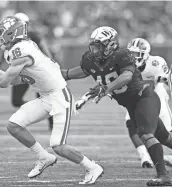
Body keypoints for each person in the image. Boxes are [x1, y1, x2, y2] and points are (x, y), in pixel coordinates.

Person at [0, 16, 103, 184]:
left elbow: (4, 82)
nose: (0, 36)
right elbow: (14, 80)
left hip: (59, 97)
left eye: (3, 33)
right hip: (45, 96)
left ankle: (92, 167)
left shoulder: (20, 49)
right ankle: (43, 157)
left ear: (13, 33)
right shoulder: (18, 49)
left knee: (58, 146)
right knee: (14, 125)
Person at [61, 26, 172, 186]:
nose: (94, 50)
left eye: (98, 46)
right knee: (164, 137)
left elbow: (126, 76)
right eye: (93, 46)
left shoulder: (122, 55)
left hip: (144, 97)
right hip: (131, 105)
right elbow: (79, 71)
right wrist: (57, 73)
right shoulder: (90, 60)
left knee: (146, 135)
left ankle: (164, 176)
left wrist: (105, 89)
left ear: (110, 45)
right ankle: (163, 173)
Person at [0, 13, 53, 130]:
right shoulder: (12, 40)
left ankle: (52, 123)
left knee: (44, 101)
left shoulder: (33, 36)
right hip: (22, 73)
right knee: (16, 101)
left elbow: (45, 49)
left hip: (38, 73)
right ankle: (37, 109)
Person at [125, 38, 172, 168]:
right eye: (131, 53)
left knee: (166, 133)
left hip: (157, 97)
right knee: (131, 124)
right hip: (136, 98)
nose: (133, 57)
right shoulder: (124, 65)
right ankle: (145, 156)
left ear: (145, 54)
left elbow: (165, 81)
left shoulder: (157, 62)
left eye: (137, 54)